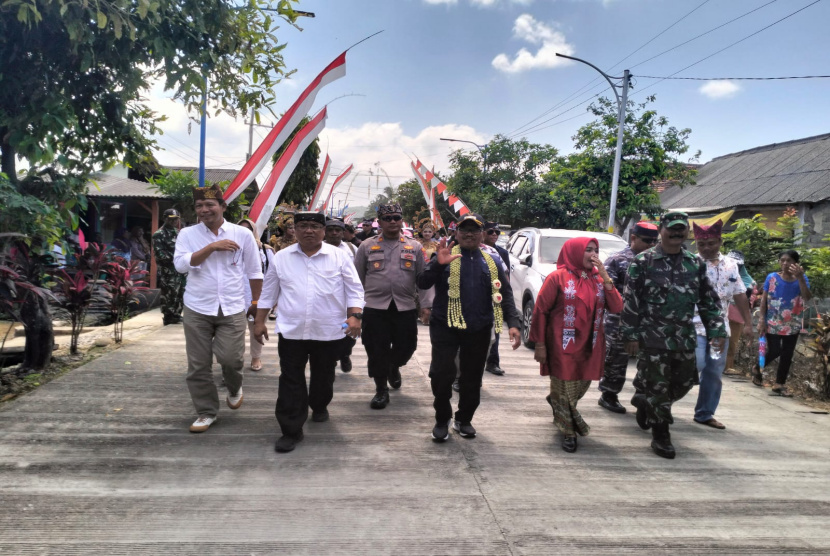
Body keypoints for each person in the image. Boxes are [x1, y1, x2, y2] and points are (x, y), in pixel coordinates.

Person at [254, 212, 364, 453]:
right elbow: (269, 292)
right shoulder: (281, 258)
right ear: (295, 229)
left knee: (323, 375)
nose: (309, 231)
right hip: (292, 330)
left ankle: (320, 404)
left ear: (323, 231)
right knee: (290, 378)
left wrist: (355, 316)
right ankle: (291, 429)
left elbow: (354, 289)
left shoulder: (339, 257)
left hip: (328, 330)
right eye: (303, 226)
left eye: (314, 226)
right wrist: (259, 322)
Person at [621, 211, 726, 459]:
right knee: (659, 385)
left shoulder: (695, 263)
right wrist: (630, 335)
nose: (677, 234)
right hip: (652, 337)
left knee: (683, 383)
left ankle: (645, 399)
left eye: (682, 229)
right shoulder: (643, 262)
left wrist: (717, 330)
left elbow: (708, 301)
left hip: (683, 336)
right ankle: (661, 434)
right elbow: (630, 301)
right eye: (673, 229)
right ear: (662, 230)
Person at [417, 213, 521, 441]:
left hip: (479, 327)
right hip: (445, 326)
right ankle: (442, 419)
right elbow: (422, 283)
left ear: (482, 235)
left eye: (475, 230)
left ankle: (464, 419)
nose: (469, 234)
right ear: (456, 233)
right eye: (464, 230)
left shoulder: (491, 261)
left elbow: (505, 294)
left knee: (472, 378)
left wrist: (513, 323)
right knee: (442, 375)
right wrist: (436, 264)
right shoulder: (444, 255)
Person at [173, 184, 263, 433]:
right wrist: (211, 247)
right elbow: (181, 265)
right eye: (199, 206)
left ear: (223, 207)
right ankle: (206, 412)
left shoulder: (242, 234)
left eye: (210, 205)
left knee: (230, 359)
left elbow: (255, 272)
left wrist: (256, 304)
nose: (204, 210)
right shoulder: (187, 234)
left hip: (233, 307)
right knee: (198, 365)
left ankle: (234, 387)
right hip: (197, 307)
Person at [529, 238, 622, 453]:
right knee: (564, 388)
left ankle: (558, 403)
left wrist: (606, 276)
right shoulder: (557, 277)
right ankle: (569, 431)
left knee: (579, 387)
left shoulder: (599, 279)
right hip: (562, 345)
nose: (593, 254)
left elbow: (616, 307)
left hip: (591, 345)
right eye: (587, 250)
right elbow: (540, 311)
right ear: (573, 252)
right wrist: (540, 344)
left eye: (596, 250)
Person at [354, 204, 432, 409]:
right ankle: (381, 390)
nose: (392, 222)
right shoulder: (367, 246)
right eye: (387, 218)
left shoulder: (414, 246)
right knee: (376, 349)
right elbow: (356, 279)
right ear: (379, 222)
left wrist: (426, 306)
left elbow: (422, 279)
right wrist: (354, 308)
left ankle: (393, 366)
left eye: (396, 217)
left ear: (402, 220)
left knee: (407, 347)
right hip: (374, 307)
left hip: (404, 306)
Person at [691, 220, 753, 429]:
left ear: (719, 241)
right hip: (695, 324)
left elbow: (740, 294)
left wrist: (748, 323)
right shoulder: (691, 264)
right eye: (702, 244)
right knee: (696, 363)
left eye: (711, 243)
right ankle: (662, 403)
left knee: (714, 371)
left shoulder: (731, 265)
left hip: (720, 329)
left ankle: (705, 413)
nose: (707, 248)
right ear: (696, 244)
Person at [597, 221, 659, 413]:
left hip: (650, 322)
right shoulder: (617, 260)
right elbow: (608, 290)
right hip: (620, 320)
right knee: (616, 359)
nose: (651, 245)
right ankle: (609, 394)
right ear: (633, 238)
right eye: (647, 240)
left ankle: (643, 395)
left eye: (654, 241)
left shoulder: (657, 260)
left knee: (650, 361)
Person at [755, 249, 812, 396]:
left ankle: (779, 383)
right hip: (772, 320)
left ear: (796, 263)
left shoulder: (802, 278)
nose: (785, 263)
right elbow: (764, 300)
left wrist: (800, 278)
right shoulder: (772, 278)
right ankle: (757, 368)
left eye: (789, 261)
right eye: (782, 260)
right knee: (775, 350)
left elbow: (807, 297)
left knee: (787, 353)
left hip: (793, 321)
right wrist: (761, 319)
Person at [237, 217, 275, 372]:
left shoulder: (265, 250)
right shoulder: (229, 248)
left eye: (248, 229)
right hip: (236, 297)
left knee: (256, 328)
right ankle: (234, 361)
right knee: (234, 331)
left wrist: (273, 299)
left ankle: (256, 357)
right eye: (241, 229)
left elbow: (273, 274)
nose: (245, 233)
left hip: (258, 296)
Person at [325, 218, 357, 372]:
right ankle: (330, 358)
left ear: (343, 231)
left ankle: (345, 353)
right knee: (329, 329)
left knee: (348, 329)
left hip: (348, 299)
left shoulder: (352, 249)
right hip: (327, 299)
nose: (334, 233)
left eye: (337, 230)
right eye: (330, 229)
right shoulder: (318, 248)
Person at [481, 222, 512, 376]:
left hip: (496, 295)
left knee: (496, 330)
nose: (494, 235)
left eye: (497, 232)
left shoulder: (500, 253)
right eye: (491, 231)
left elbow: (506, 278)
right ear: (483, 233)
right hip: (479, 297)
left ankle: (493, 362)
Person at [152, 209, 186, 325]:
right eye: (171, 219)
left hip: (180, 269)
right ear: (165, 218)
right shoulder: (159, 234)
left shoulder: (179, 233)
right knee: (169, 293)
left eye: (176, 219)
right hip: (168, 270)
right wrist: (177, 259)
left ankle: (176, 314)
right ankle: (168, 316)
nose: (174, 221)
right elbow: (160, 253)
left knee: (180, 292)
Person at [724, 250, 756, 373]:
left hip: (737, 314)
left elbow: (748, 298)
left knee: (732, 341)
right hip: (721, 313)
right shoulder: (720, 273)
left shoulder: (747, 281)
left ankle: (728, 366)